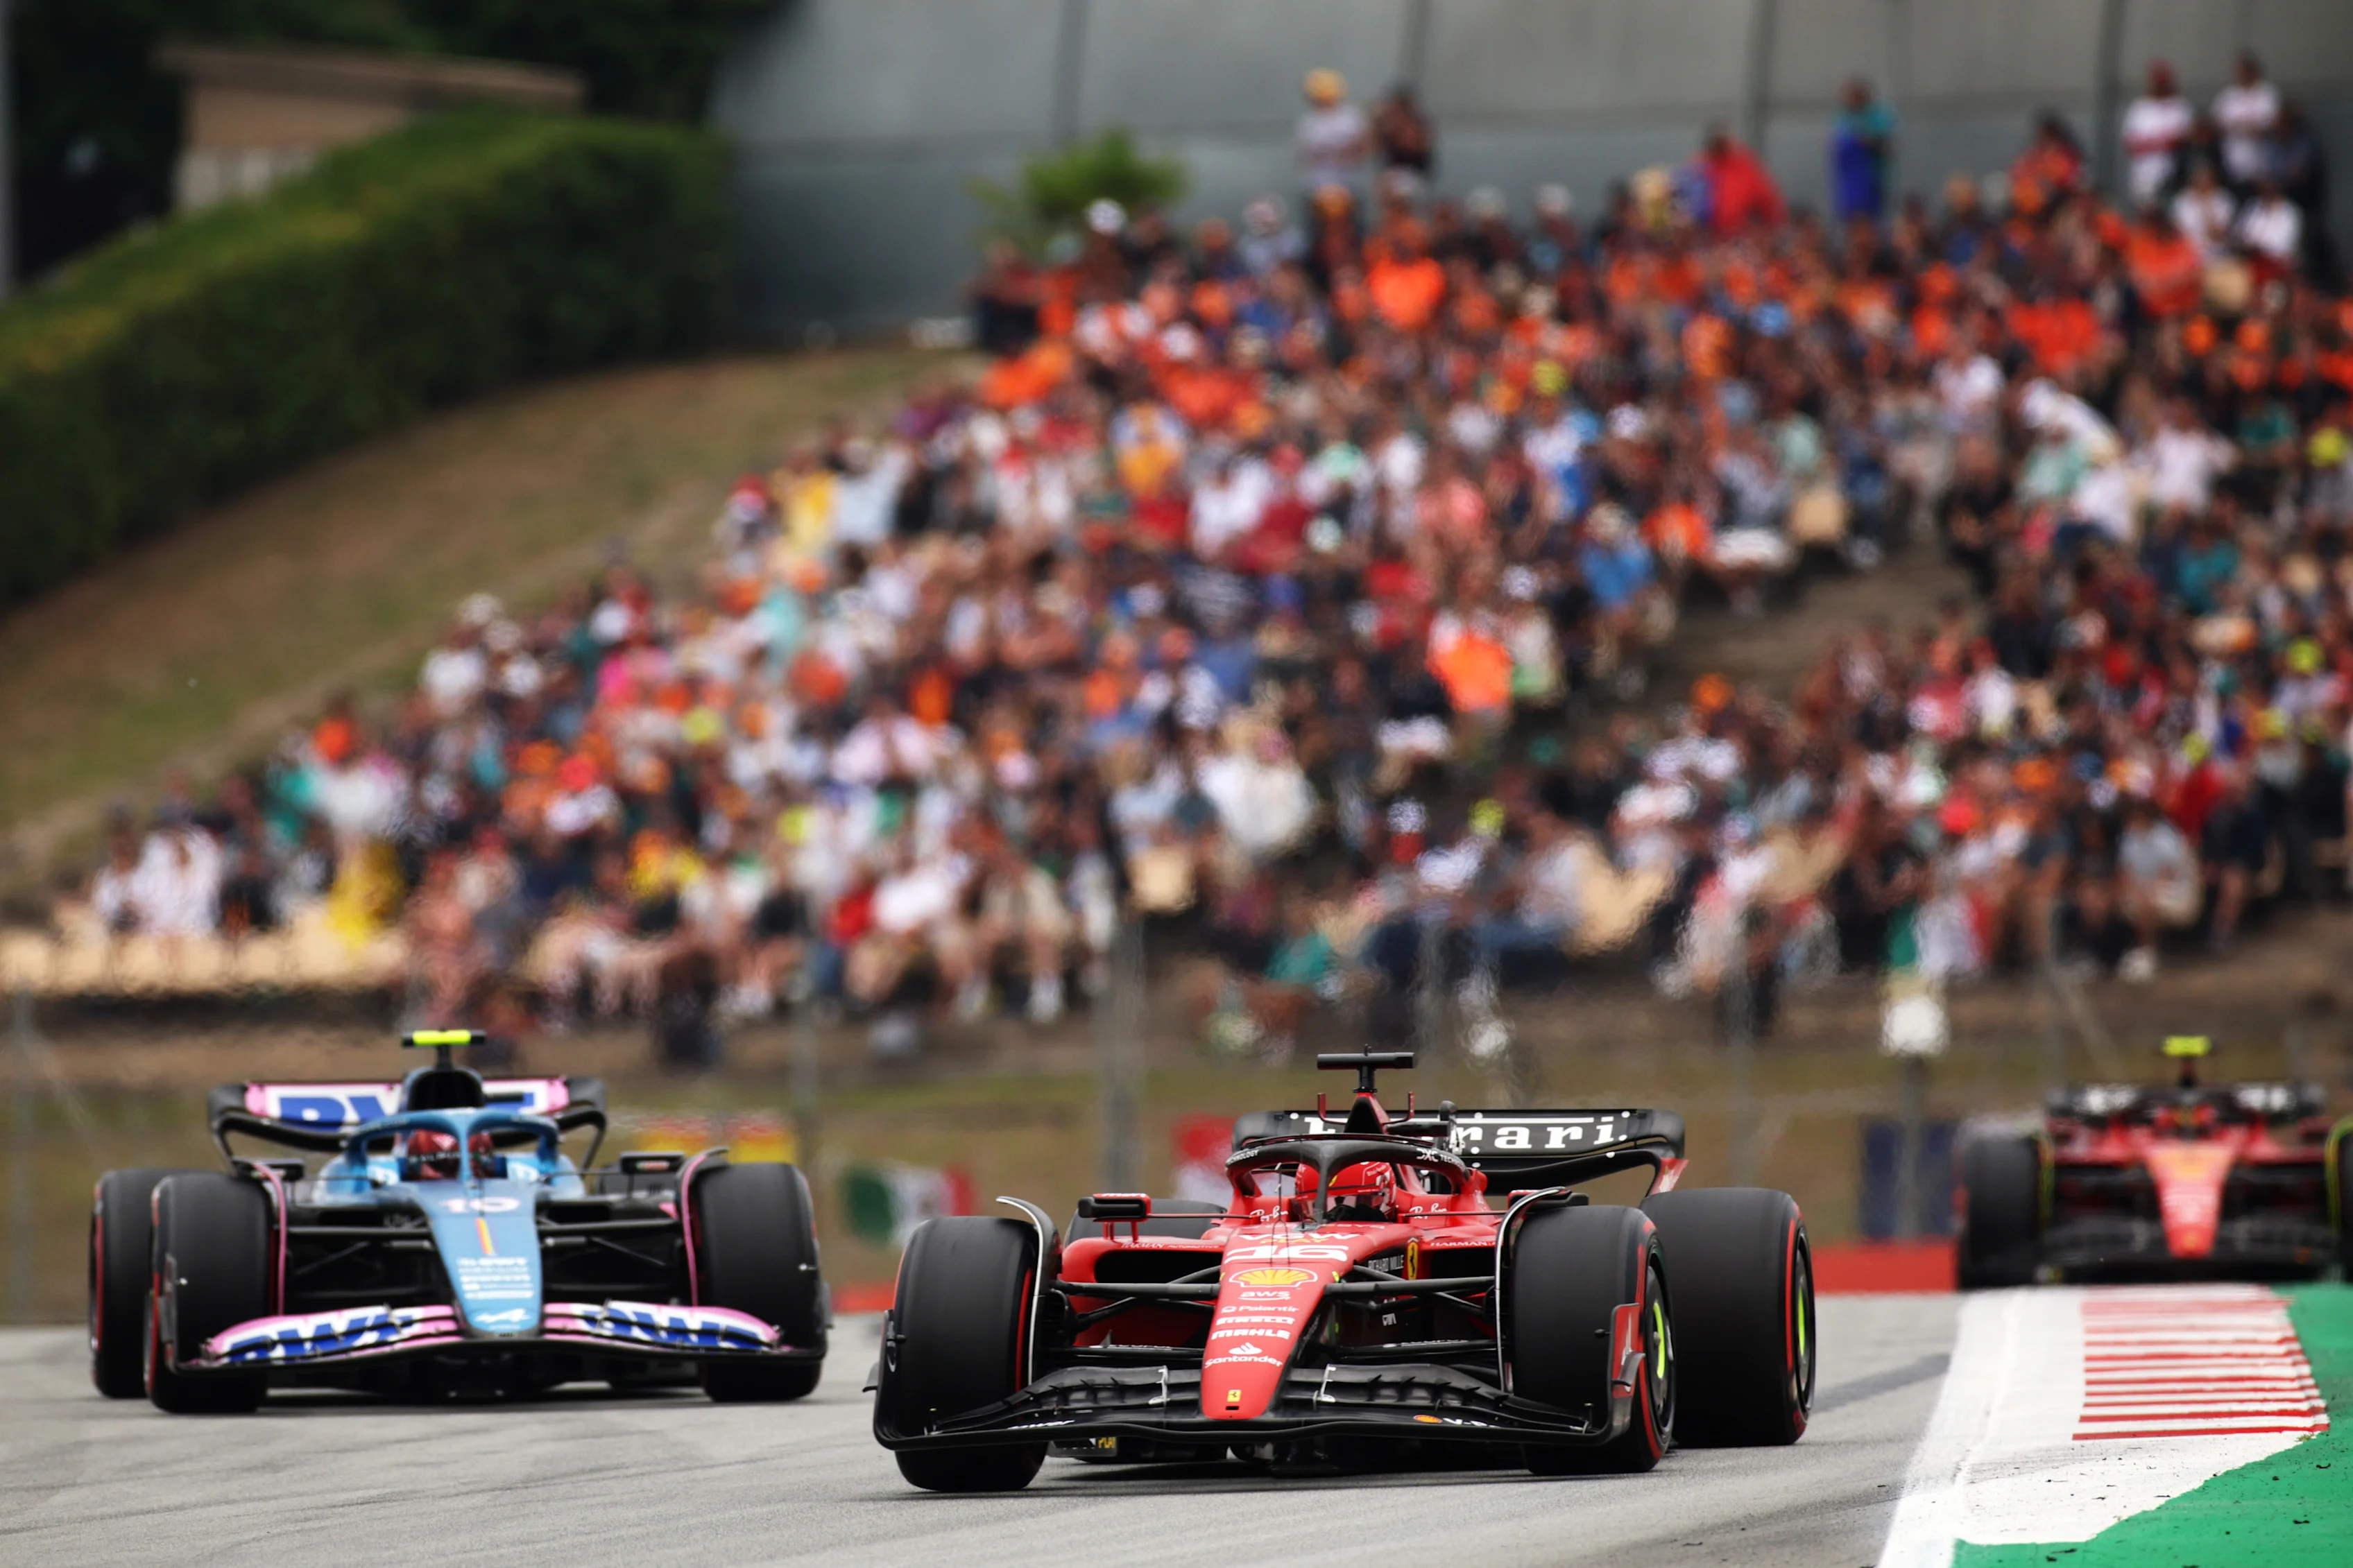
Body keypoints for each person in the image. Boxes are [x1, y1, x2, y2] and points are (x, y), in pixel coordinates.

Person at [2122, 60, 2195, 206]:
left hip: (2173, 175)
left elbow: (2184, 140)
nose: (2160, 84)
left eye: (2163, 80)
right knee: (2147, 217)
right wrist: (2161, 143)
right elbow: (2130, 145)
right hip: (2143, 175)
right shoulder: (2139, 108)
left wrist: (2151, 143)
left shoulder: (2180, 106)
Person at [1688, 125, 1785, 234]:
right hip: (1708, 235)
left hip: (1740, 233)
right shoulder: (1699, 167)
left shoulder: (1745, 166)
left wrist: (1773, 227)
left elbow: (1768, 201)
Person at [1295, 69, 1370, 206]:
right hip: (1317, 185)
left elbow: (1364, 148)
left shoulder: (1351, 117)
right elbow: (1304, 156)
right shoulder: (1309, 122)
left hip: (1349, 182)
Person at [2212, 51, 2281, 193]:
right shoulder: (2228, 97)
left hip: (2264, 164)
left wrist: (2253, 128)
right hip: (2233, 163)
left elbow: (2276, 124)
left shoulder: (2267, 94)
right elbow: (2217, 125)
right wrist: (2241, 127)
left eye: (2244, 71)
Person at [1829, 78, 1896, 223]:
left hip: (1872, 181)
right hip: (1849, 185)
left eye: (1854, 96)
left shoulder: (1879, 117)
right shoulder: (1842, 119)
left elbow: (1888, 146)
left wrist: (1863, 140)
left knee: (1871, 222)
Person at [1371, 83, 1435, 180]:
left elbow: (1411, 146)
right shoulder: (1388, 124)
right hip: (1390, 172)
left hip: (1413, 173)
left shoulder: (1416, 124)